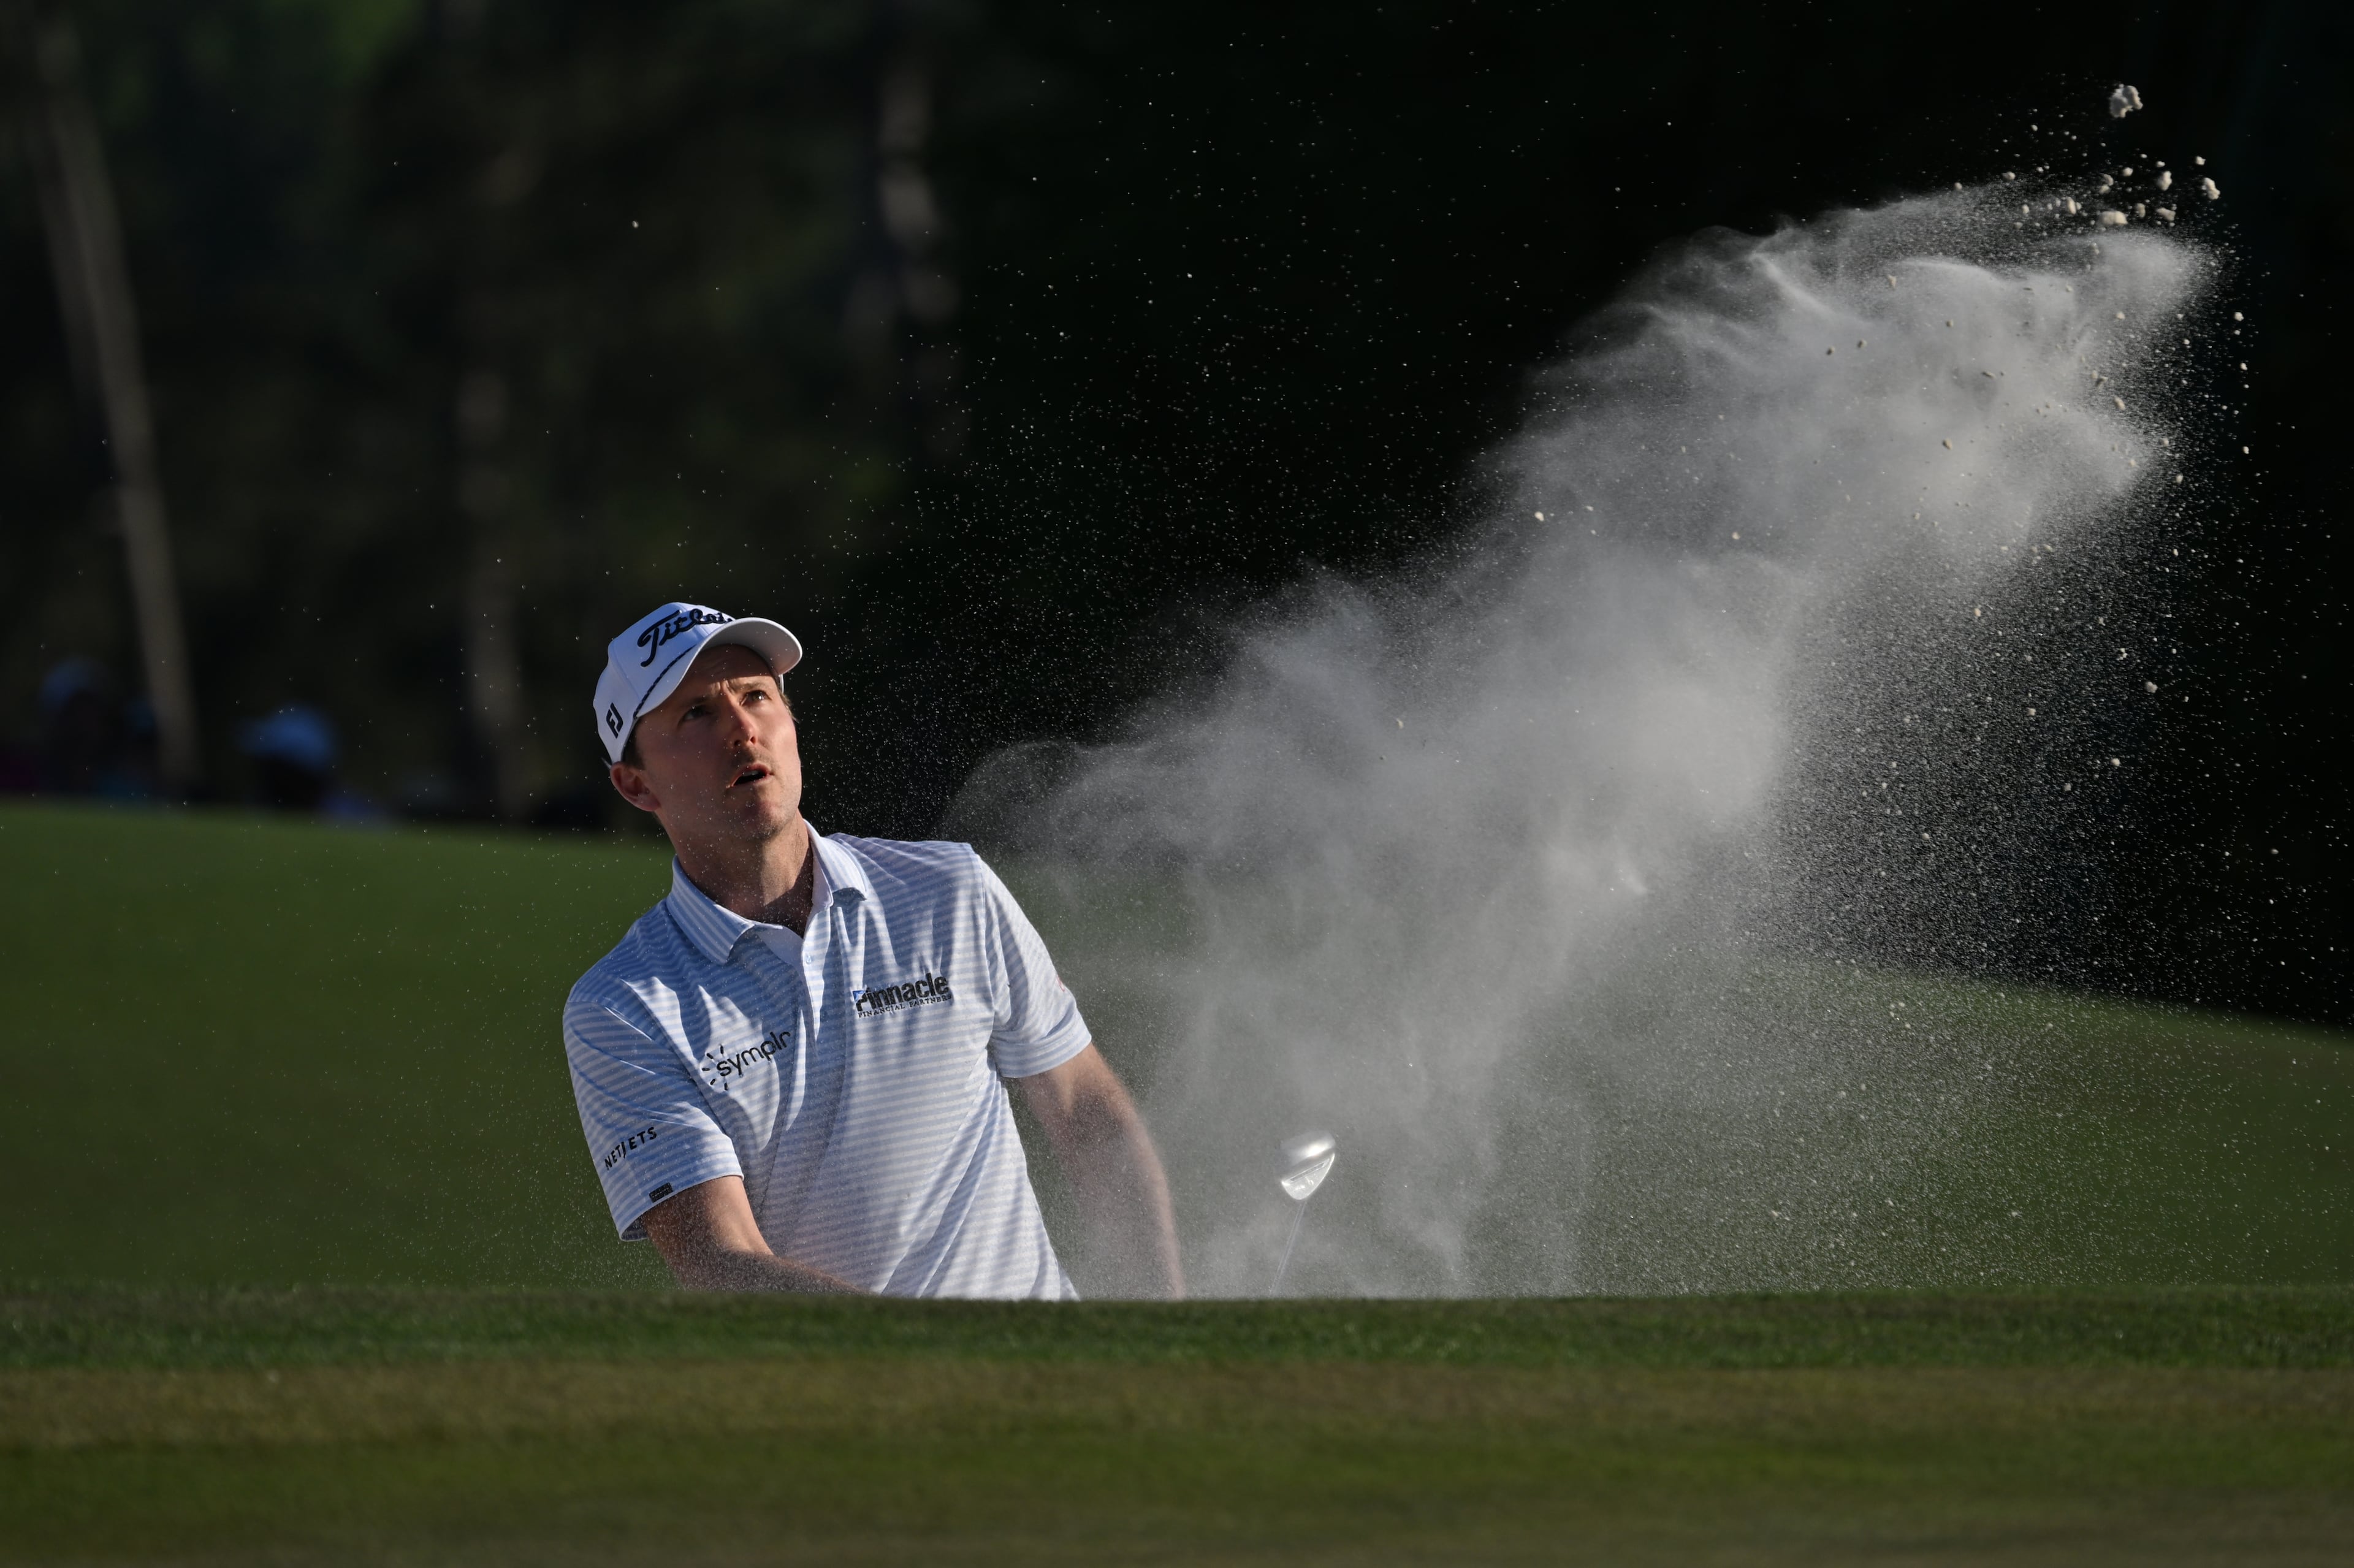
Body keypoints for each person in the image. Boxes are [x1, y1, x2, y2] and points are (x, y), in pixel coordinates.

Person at [563, 601, 1184, 1299]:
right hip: (855, 1397)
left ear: (791, 724)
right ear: (635, 783)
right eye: (696, 714)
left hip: (1050, 1373)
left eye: (757, 696)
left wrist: (1163, 1328)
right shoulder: (624, 1005)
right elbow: (720, 1262)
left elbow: (1087, 1112)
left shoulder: (952, 888)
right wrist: (934, 1359)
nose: (742, 728)